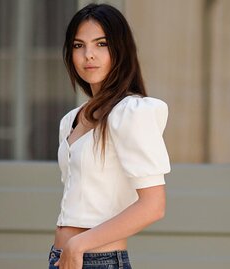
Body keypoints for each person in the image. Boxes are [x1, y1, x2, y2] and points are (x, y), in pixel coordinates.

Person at [48, 3, 171, 269]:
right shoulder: (71, 120)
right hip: (63, 259)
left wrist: (79, 244)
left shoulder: (131, 112)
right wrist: (69, 250)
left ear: (120, 50)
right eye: (79, 46)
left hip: (98, 261)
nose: (88, 55)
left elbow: (154, 206)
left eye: (100, 44)